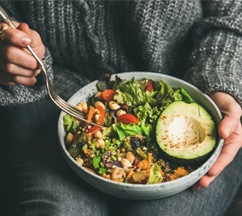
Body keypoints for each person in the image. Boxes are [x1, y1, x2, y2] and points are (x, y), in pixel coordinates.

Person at [0, 1, 242, 215]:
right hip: (45, 93)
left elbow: (233, 12)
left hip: (193, 88)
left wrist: (220, 79)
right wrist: (9, 53)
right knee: (59, 209)